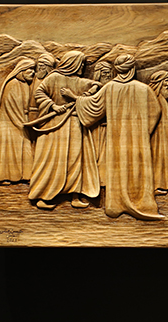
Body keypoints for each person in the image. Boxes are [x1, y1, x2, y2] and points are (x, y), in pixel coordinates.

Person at [75, 54, 164, 220]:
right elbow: (155, 111)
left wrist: (77, 99)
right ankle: (141, 202)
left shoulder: (110, 88)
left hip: (116, 137)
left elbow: (93, 107)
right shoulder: (143, 89)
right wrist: (144, 132)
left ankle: (116, 205)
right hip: (139, 139)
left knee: (118, 166)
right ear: (132, 69)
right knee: (138, 168)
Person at [28, 50, 101, 210]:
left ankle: (75, 195)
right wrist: (53, 105)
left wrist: (91, 90)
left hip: (75, 124)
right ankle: (43, 196)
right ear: (72, 63)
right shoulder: (54, 78)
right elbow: (39, 92)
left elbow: (98, 86)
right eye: (80, 64)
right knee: (52, 160)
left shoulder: (80, 81)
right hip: (55, 125)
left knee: (75, 160)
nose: (82, 67)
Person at [0, 57, 36, 183]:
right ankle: (4, 177)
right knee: (9, 152)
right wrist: (23, 123)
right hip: (10, 125)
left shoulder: (24, 84)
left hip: (19, 122)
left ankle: (25, 176)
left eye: (33, 70)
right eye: (30, 70)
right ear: (21, 71)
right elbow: (12, 108)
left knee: (23, 149)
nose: (33, 73)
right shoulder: (13, 84)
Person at [148, 70, 168, 194]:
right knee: (157, 158)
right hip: (157, 134)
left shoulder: (162, 97)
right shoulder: (153, 97)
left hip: (164, 134)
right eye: (166, 81)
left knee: (164, 158)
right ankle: (156, 185)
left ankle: (166, 184)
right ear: (159, 82)